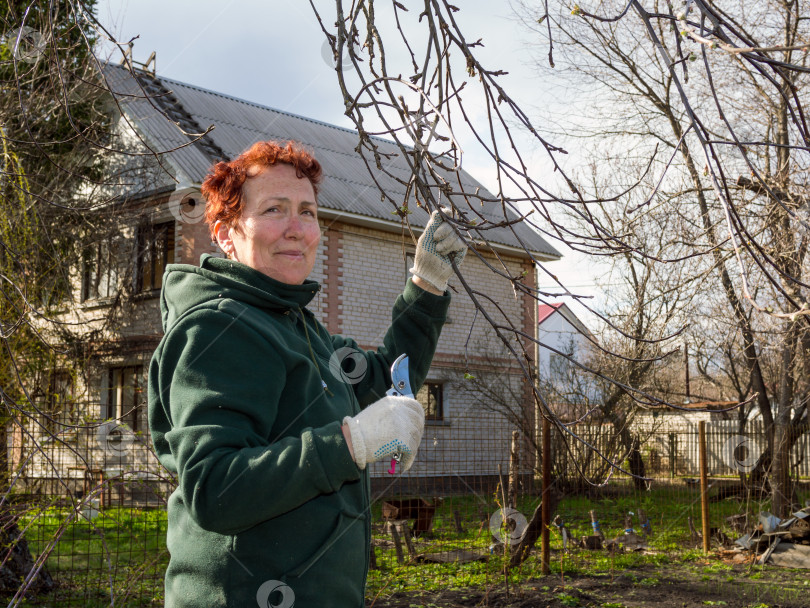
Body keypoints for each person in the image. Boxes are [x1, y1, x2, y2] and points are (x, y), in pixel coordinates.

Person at [147, 140, 467, 607]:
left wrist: (426, 284)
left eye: (308, 212)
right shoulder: (219, 328)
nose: (297, 229)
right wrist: (351, 443)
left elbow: (382, 382)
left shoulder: (297, 327)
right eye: (274, 210)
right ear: (224, 233)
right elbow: (215, 488)